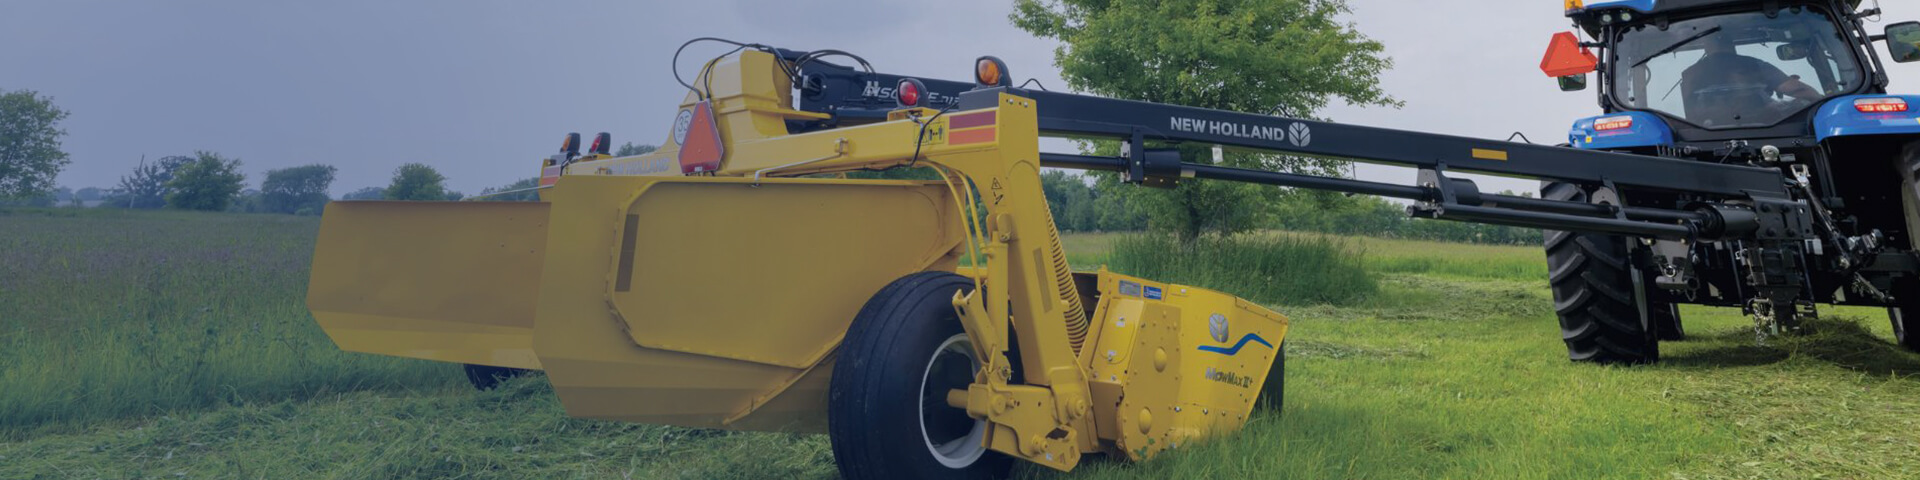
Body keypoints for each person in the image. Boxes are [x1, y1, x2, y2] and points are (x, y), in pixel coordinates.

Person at [1680, 35, 1822, 124]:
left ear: (1706, 44)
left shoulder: (1690, 74)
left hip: (1704, 137)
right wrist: (1824, 100)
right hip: (1767, 130)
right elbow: (1798, 90)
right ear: (1731, 42)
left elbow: (1690, 110)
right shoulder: (1753, 65)